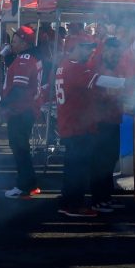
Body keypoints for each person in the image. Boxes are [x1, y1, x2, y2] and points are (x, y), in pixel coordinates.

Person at [55, 39, 105, 218]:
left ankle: (68, 202)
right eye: (85, 47)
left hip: (70, 124)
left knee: (72, 167)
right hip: (77, 126)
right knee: (78, 169)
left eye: (91, 48)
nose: (89, 52)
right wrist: (126, 82)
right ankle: (74, 205)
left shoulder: (64, 65)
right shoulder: (75, 67)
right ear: (73, 47)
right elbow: (99, 80)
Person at [1, 26, 43, 199]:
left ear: (25, 42)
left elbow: (18, 88)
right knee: (22, 148)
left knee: (19, 149)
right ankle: (31, 184)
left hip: (21, 110)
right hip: (26, 109)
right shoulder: (29, 57)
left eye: (16, 40)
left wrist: (1, 104)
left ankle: (23, 186)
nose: (12, 44)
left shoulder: (25, 59)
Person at [90, 37, 126, 213]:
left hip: (113, 120)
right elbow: (103, 94)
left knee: (110, 160)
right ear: (105, 51)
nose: (116, 55)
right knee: (100, 162)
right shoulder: (98, 68)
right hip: (100, 123)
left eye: (118, 53)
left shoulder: (115, 68)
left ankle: (105, 198)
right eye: (113, 52)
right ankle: (98, 200)